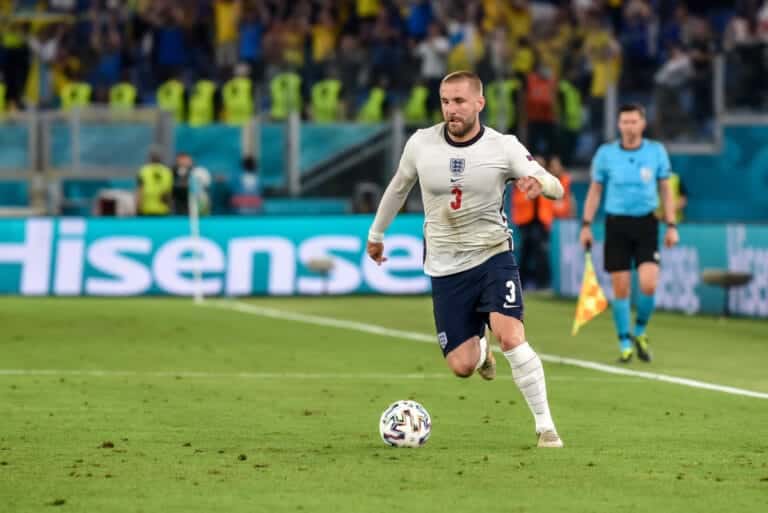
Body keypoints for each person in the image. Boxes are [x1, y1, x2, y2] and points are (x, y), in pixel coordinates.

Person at [366, 71, 565, 448]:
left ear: (479, 103)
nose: (451, 109)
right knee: (462, 366)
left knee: (512, 336)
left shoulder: (503, 147)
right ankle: (480, 349)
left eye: (458, 101)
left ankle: (545, 427)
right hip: (445, 265)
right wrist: (376, 235)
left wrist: (541, 185)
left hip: (493, 255)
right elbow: (397, 187)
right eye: (445, 101)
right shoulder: (421, 144)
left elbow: (553, 183)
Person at [579, 103, 679, 363]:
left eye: (634, 122)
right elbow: (595, 191)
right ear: (619, 124)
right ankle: (624, 341)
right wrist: (586, 224)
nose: (629, 126)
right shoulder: (606, 154)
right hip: (616, 225)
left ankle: (641, 331)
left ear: (643, 124)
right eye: (625, 122)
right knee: (621, 287)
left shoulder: (656, 152)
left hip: (647, 223)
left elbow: (666, 189)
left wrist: (671, 225)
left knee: (649, 283)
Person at [136, 149, 173, 216]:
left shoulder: (144, 171)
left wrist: (138, 207)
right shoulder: (167, 171)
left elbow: (140, 191)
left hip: (146, 208)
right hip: (163, 209)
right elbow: (169, 192)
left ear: (150, 159)